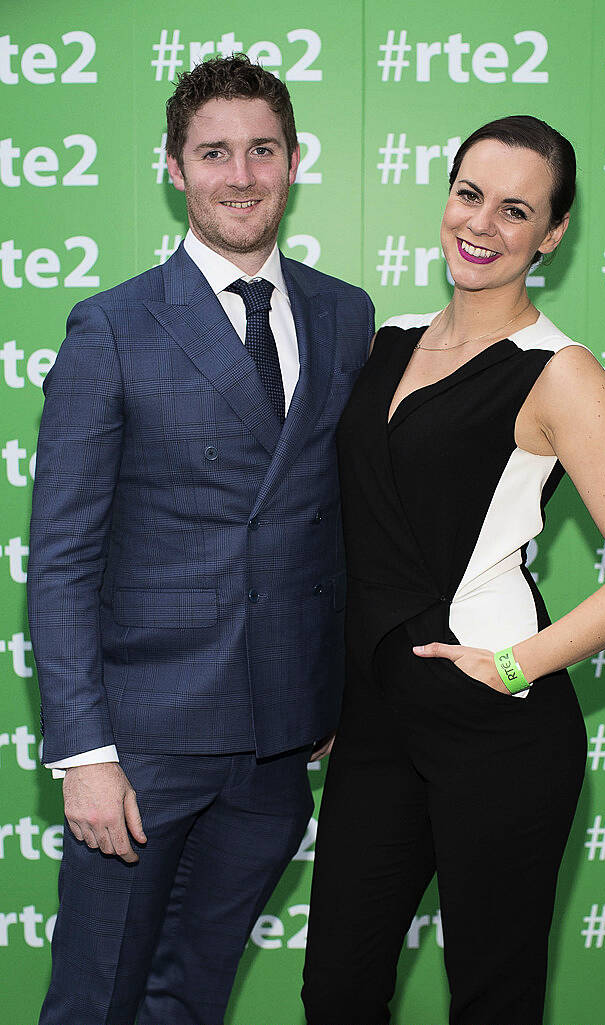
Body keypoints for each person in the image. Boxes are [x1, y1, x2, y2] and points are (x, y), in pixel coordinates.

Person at [301, 115, 605, 1025]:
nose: (482, 225)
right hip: (373, 722)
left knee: (491, 999)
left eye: (517, 210)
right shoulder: (381, 340)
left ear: (550, 234)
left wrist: (514, 665)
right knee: (338, 990)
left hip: (495, 724)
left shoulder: (560, 373)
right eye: (469, 194)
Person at [27, 54, 373, 1025]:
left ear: (293, 161)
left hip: (274, 747)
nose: (240, 175)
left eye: (262, 149)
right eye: (213, 152)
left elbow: (341, 519)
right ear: (174, 169)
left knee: (194, 996)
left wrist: (335, 686)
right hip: (142, 747)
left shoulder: (343, 315)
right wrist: (83, 752)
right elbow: (61, 554)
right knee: (97, 1000)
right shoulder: (114, 326)